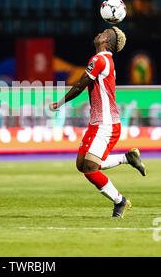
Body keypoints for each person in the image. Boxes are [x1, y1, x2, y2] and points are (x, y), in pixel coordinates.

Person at [49, 27, 146, 218]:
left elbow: (80, 84)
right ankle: (127, 158)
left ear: (106, 41)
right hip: (97, 123)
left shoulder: (99, 60)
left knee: (90, 168)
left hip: (106, 125)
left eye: (103, 33)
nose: (99, 34)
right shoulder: (105, 60)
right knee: (81, 164)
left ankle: (120, 201)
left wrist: (60, 103)